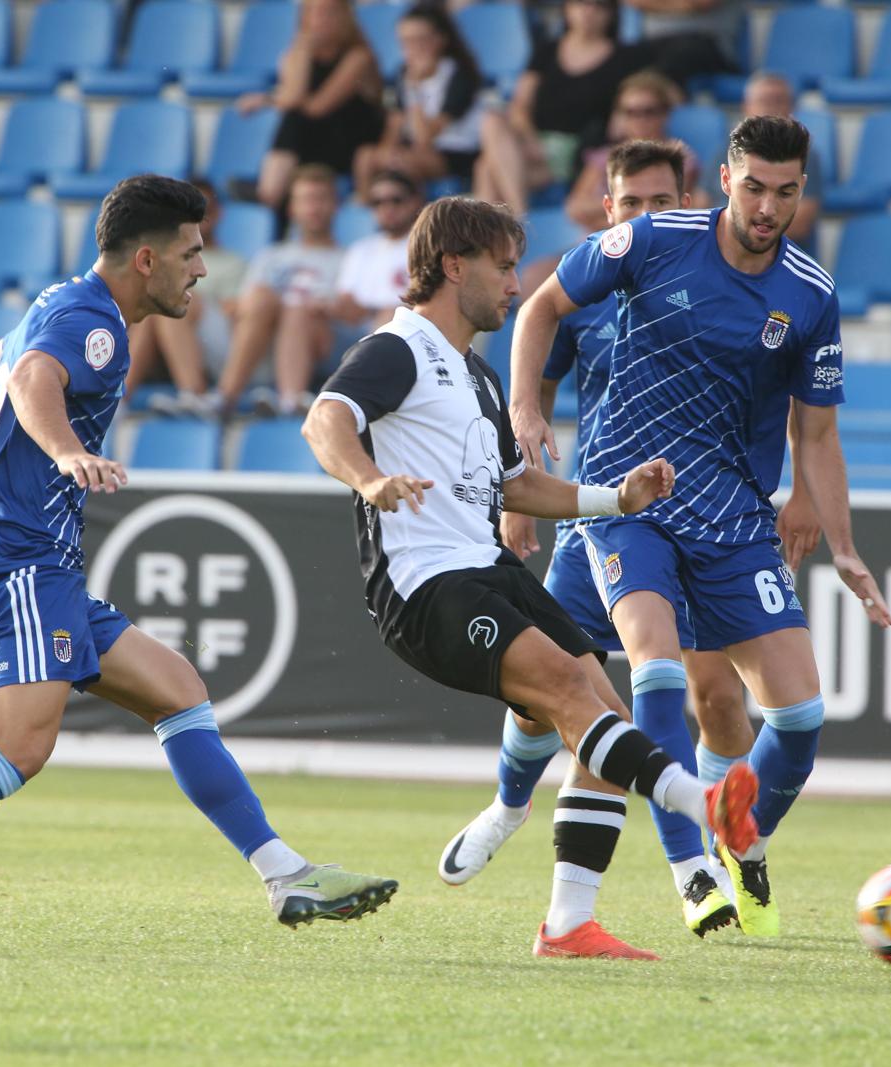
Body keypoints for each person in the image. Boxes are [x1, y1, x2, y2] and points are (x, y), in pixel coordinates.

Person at [0, 176, 396, 953]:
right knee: (19, 744)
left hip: (34, 566)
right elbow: (26, 379)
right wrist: (66, 450)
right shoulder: (97, 327)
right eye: (190, 255)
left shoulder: (65, 302)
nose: (200, 270)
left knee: (177, 689)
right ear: (146, 258)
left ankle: (285, 874)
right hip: (14, 566)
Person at [300, 196, 761, 960]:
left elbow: (519, 486)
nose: (517, 283)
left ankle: (569, 922)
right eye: (505, 266)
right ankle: (705, 803)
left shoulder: (476, 375)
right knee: (571, 693)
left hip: (486, 569)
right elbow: (325, 419)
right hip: (425, 588)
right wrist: (369, 478)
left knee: (602, 716)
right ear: (454, 266)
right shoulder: (401, 346)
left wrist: (617, 498)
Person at [506, 117, 891, 940]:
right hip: (630, 501)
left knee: (796, 719)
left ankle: (737, 842)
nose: (767, 205)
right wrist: (525, 406)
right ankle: (690, 872)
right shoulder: (649, 240)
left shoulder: (810, 294)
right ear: (724, 179)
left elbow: (817, 434)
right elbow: (542, 305)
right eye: (753, 186)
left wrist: (844, 541)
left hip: (732, 517)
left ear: (800, 192)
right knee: (651, 671)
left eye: (785, 191)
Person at [438, 138, 821, 941]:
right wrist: (521, 500)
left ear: (688, 199)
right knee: (550, 694)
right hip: (596, 514)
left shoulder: (716, 283)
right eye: (631, 204)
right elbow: (534, 377)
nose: (647, 215)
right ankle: (511, 806)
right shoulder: (595, 297)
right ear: (607, 210)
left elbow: (786, 396)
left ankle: (710, 856)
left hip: (697, 518)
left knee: (711, 694)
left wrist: (800, 494)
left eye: (660, 202)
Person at [472, 0, 654, 217]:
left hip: (576, 150)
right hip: (532, 144)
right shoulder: (547, 50)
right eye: (581, 4)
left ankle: (506, 225)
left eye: (599, 6)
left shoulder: (626, 57)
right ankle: (517, 218)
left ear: (611, 13)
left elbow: (635, 99)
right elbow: (520, 105)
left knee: (486, 168)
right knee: (492, 122)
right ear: (567, 8)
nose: (588, 11)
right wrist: (531, 140)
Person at [216, 165, 345, 418]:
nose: (314, 208)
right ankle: (225, 398)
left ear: (336, 205)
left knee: (296, 308)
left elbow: (351, 315)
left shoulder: (349, 259)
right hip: (263, 343)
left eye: (321, 199)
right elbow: (243, 309)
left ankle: (286, 401)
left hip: (320, 345)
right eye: (306, 200)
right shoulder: (271, 255)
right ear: (292, 208)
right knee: (263, 299)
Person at [241, 0, 385, 210]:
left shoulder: (359, 57)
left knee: (295, 118)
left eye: (329, 13)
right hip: (311, 142)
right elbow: (293, 97)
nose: (320, 20)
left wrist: (266, 100)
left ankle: (269, 192)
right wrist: (303, 50)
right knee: (293, 118)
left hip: (351, 142)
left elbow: (319, 106)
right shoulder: (296, 54)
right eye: (313, 13)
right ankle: (271, 193)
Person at [126, 178, 246, 415]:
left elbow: (239, 315)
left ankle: (192, 392)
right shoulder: (162, 261)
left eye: (205, 210)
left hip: (218, 345)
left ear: (218, 213)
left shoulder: (234, 263)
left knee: (175, 301)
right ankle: (119, 398)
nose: (198, 219)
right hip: (164, 342)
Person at [353, 4, 485, 194]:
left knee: (404, 163)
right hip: (415, 150)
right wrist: (386, 151)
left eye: (420, 40)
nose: (413, 48)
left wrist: (415, 87)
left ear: (440, 39)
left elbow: (425, 138)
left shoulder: (459, 74)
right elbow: (395, 124)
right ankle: (366, 213)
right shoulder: (403, 72)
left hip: (454, 153)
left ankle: (413, 215)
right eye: (406, 42)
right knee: (365, 157)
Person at [564, 71, 683, 232]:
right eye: (630, 112)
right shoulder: (604, 156)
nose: (640, 121)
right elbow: (575, 207)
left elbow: (671, 212)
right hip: (601, 242)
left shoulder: (678, 157)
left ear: (665, 114)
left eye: (649, 111)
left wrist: (614, 214)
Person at [729, 72, 821, 251]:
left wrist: (730, 235)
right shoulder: (724, 151)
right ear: (746, 106)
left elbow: (800, 223)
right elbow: (700, 204)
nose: (767, 209)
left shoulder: (804, 155)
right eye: (764, 100)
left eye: (779, 100)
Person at [328, 170, 423, 334]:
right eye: (378, 202)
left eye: (396, 200)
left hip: (407, 333)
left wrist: (378, 312)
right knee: (301, 315)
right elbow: (346, 301)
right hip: (357, 330)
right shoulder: (360, 250)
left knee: (392, 316)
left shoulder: (427, 248)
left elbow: (423, 305)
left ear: (414, 202)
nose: (387, 208)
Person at [629, 0, 745, 86]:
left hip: (709, 45)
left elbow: (703, 3)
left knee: (674, 61)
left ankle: (660, 109)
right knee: (624, 58)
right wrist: (684, 6)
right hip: (657, 43)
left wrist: (656, 6)